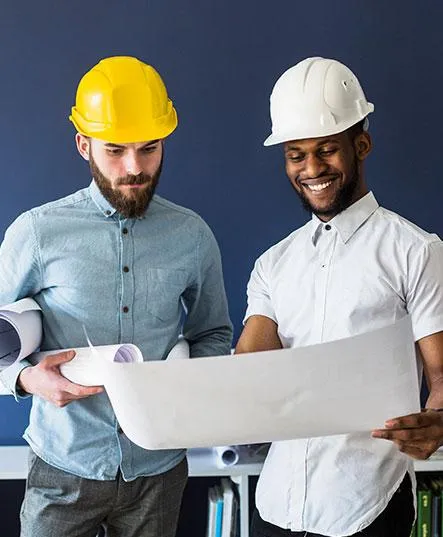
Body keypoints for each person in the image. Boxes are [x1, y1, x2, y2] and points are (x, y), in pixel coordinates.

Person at [0, 55, 233, 537]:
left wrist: (190, 382)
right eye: (115, 150)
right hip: (63, 468)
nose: (135, 168)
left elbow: (212, 332)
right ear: (83, 144)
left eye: (149, 149)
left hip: (159, 471)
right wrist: (26, 381)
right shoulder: (37, 232)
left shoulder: (191, 235)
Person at [235, 56, 443, 537]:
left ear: (361, 145)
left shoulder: (416, 251)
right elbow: (249, 367)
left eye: (326, 150)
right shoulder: (274, 264)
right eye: (295, 154)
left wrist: (436, 421)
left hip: (366, 504)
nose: (311, 169)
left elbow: (441, 376)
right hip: (277, 505)